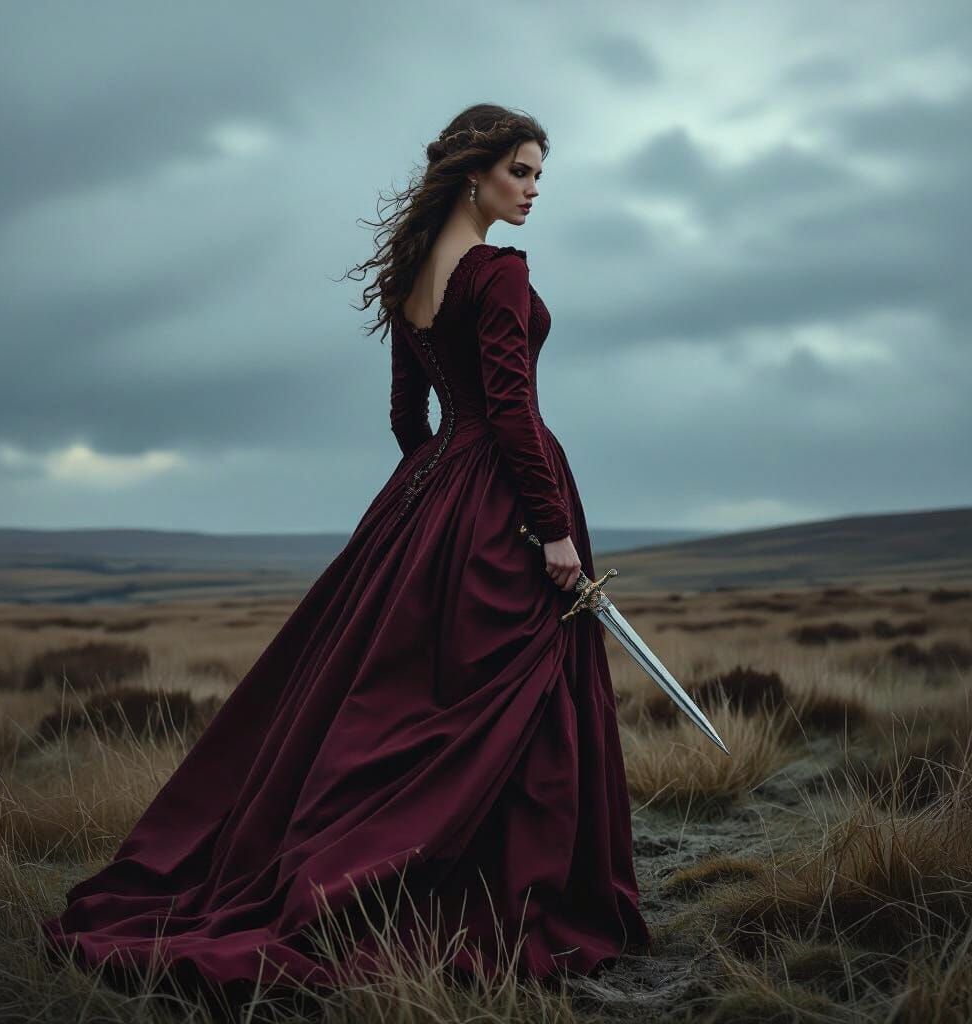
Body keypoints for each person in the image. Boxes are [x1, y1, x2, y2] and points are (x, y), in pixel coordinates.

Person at [39, 102, 651, 1004]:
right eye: (519, 172)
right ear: (474, 174)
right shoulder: (498, 274)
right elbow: (512, 410)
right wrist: (550, 527)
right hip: (506, 497)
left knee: (427, 695)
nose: (532, 191)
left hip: (435, 490)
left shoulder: (412, 278)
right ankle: (510, 889)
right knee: (518, 690)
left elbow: (409, 416)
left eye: (537, 176)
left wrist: (434, 494)